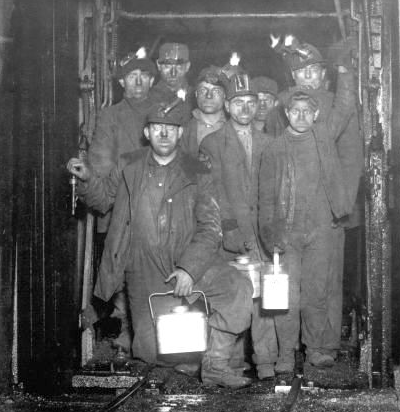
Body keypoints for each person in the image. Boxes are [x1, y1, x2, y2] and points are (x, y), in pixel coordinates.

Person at [68, 100, 253, 389]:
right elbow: (103, 200)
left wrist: (189, 270)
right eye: (158, 128)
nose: (164, 134)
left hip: (187, 260)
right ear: (147, 132)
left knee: (237, 288)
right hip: (142, 268)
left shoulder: (198, 170)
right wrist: (87, 179)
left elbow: (210, 228)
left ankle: (215, 364)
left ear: (180, 133)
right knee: (151, 355)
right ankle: (183, 364)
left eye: (171, 129)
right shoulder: (129, 165)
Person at [258, 61, 356, 372]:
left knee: (317, 293)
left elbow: (344, 106)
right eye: (294, 110)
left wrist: (344, 71)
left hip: (321, 230)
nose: (301, 116)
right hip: (287, 233)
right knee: (287, 297)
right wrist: (271, 236)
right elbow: (265, 201)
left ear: (315, 114)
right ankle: (286, 354)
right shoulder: (273, 150)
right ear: (286, 113)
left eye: (307, 111)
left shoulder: (324, 138)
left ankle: (315, 349)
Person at [76, 47, 159, 357]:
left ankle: (148, 332)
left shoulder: (164, 111)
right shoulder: (111, 116)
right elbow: (100, 160)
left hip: (155, 205)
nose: (137, 82)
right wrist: (99, 181)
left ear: (152, 80)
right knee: (122, 270)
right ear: (122, 82)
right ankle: (127, 328)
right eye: (131, 76)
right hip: (119, 202)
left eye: (144, 76)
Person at [199, 72, 275, 377]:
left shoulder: (270, 142)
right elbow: (206, 192)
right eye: (238, 102)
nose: (245, 108)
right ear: (228, 106)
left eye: (251, 102)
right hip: (229, 235)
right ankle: (227, 361)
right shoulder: (211, 143)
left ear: (257, 106)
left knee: (266, 296)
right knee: (237, 294)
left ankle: (266, 360)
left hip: (263, 231)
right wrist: (229, 230)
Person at [180, 66, 227, 157]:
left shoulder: (235, 128)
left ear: (224, 95)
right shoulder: (183, 132)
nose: (209, 95)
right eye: (203, 90)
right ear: (196, 94)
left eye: (216, 91)